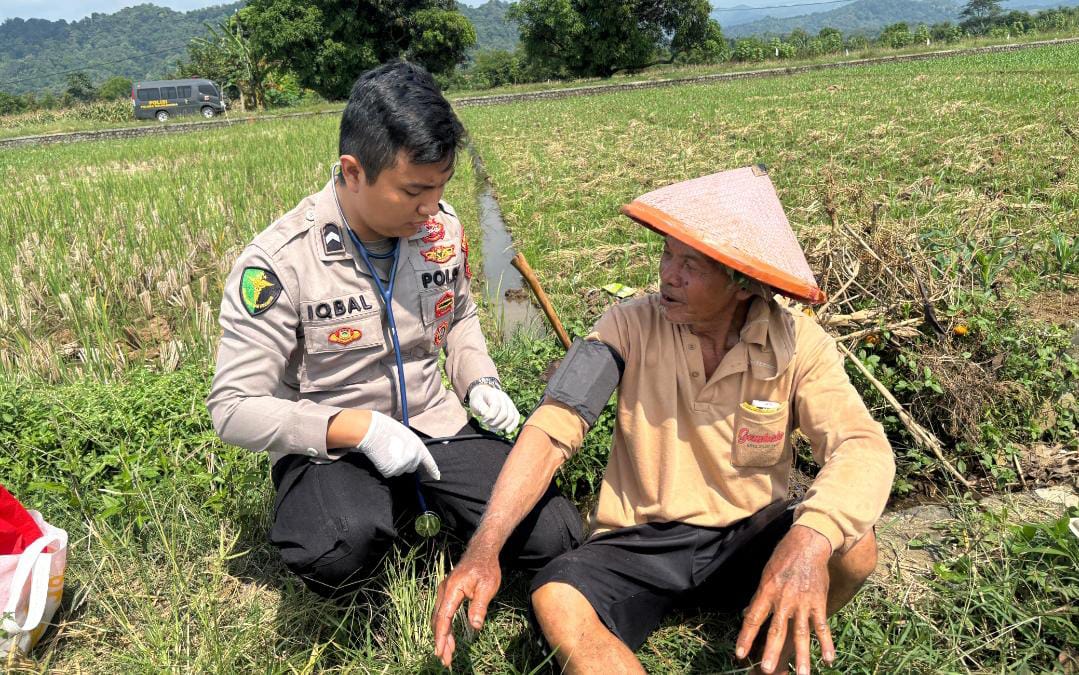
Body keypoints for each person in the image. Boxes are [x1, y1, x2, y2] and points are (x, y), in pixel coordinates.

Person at [432, 165, 895, 674]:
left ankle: (774, 657)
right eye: (667, 254)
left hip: (744, 536)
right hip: (640, 543)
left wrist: (810, 538)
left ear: (742, 282)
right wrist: (486, 546)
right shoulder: (626, 325)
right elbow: (553, 428)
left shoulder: (799, 344)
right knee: (557, 597)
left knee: (853, 544)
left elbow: (860, 445)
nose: (668, 275)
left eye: (690, 264)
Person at [206, 61, 581, 599]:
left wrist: (479, 380)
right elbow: (233, 408)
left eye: (440, 187)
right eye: (412, 191)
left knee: (556, 533)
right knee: (338, 548)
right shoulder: (280, 261)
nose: (430, 208)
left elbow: (459, 317)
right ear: (353, 172)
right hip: (332, 446)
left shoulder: (440, 231)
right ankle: (382, 514)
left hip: (434, 421)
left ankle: (418, 506)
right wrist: (359, 429)